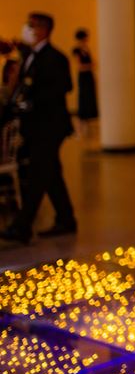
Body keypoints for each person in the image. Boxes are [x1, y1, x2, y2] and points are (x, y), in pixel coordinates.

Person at [1, 13, 77, 245]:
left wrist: (34, 102)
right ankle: (66, 219)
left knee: (38, 174)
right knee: (52, 174)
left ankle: (22, 226)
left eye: (31, 26)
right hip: (35, 126)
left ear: (43, 30)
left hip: (50, 126)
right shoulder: (30, 56)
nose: (27, 29)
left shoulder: (55, 57)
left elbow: (65, 86)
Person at [71, 28, 98, 138]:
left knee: (90, 97)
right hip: (83, 76)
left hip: (89, 76)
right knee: (83, 97)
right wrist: (90, 65)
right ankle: (81, 123)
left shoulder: (86, 48)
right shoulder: (76, 50)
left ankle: (88, 121)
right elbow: (80, 66)